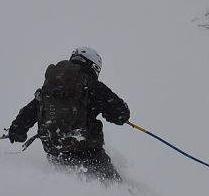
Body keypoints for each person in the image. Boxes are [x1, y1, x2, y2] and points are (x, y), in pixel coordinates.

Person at [7, 47, 130, 183]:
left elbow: (31, 110)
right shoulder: (92, 85)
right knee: (115, 187)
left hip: (56, 154)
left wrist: (17, 130)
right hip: (89, 154)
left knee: (70, 186)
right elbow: (121, 113)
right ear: (93, 65)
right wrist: (113, 114)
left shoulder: (51, 87)